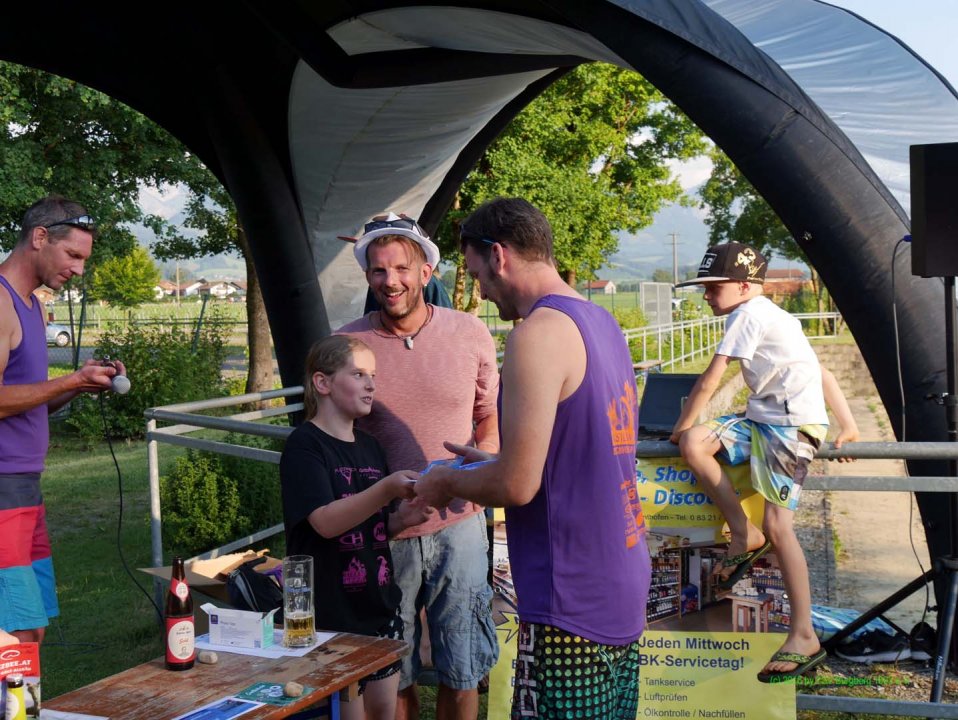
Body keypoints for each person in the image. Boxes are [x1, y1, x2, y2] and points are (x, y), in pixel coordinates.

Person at [415, 198, 651, 720]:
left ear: (497, 256)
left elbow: (518, 485)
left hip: (571, 591)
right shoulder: (602, 323)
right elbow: (576, 450)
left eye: (476, 273)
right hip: (620, 571)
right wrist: (484, 465)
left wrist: (449, 482)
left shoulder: (536, 334)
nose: (479, 289)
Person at [668, 241, 860, 683]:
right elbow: (820, 371)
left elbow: (711, 378)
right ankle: (743, 531)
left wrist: (679, 424)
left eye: (713, 287)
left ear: (742, 286)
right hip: (762, 419)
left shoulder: (748, 314)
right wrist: (847, 425)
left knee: (780, 526)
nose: (706, 295)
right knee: (698, 444)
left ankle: (803, 634)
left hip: (789, 427)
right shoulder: (776, 317)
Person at [337, 212, 500, 720]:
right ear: (367, 277)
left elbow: (489, 416)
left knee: (463, 662)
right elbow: (333, 436)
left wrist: (478, 474)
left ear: (426, 271)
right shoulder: (347, 344)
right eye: (379, 271)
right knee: (391, 665)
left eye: (402, 269)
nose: (392, 282)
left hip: (461, 524)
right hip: (386, 531)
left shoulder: (469, 331)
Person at [280, 335, 433, 720]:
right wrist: (385, 491)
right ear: (323, 383)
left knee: (384, 712)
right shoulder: (304, 446)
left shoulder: (370, 447)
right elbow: (326, 522)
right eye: (358, 374)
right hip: (333, 617)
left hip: (379, 610)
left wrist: (400, 520)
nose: (371, 385)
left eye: (373, 375)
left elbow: (371, 528)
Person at [0, 195, 125, 643]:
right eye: (73, 254)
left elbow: (24, 400)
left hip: (25, 485)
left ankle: (27, 711)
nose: (79, 269)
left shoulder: (32, 305)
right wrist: (69, 379)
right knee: (15, 633)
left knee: (32, 624)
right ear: (38, 238)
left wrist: (79, 384)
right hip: (2, 485)